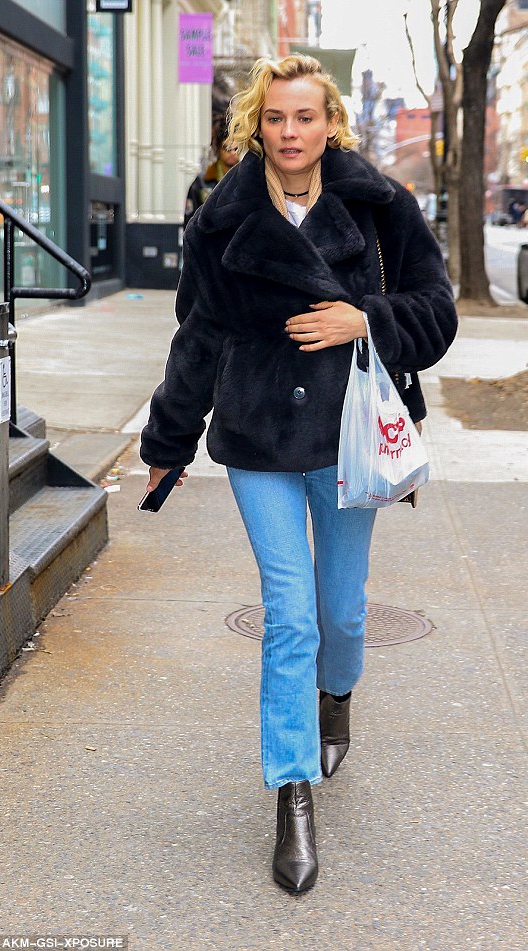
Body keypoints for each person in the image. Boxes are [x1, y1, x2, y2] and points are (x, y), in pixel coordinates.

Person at [140, 54, 457, 894]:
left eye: (306, 117)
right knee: (289, 613)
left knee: (340, 612)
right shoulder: (220, 220)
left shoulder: (382, 206)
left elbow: (438, 311)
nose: (290, 133)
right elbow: (198, 337)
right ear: (257, 122)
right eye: (275, 118)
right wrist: (168, 442)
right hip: (258, 438)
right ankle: (292, 794)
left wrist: (367, 317)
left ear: (331, 124)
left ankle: (338, 697)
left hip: (350, 437)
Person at [183, 123, 239, 229]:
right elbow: (190, 220)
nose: (232, 153)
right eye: (227, 149)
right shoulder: (202, 181)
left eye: (236, 149)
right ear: (218, 150)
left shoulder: (248, 179)